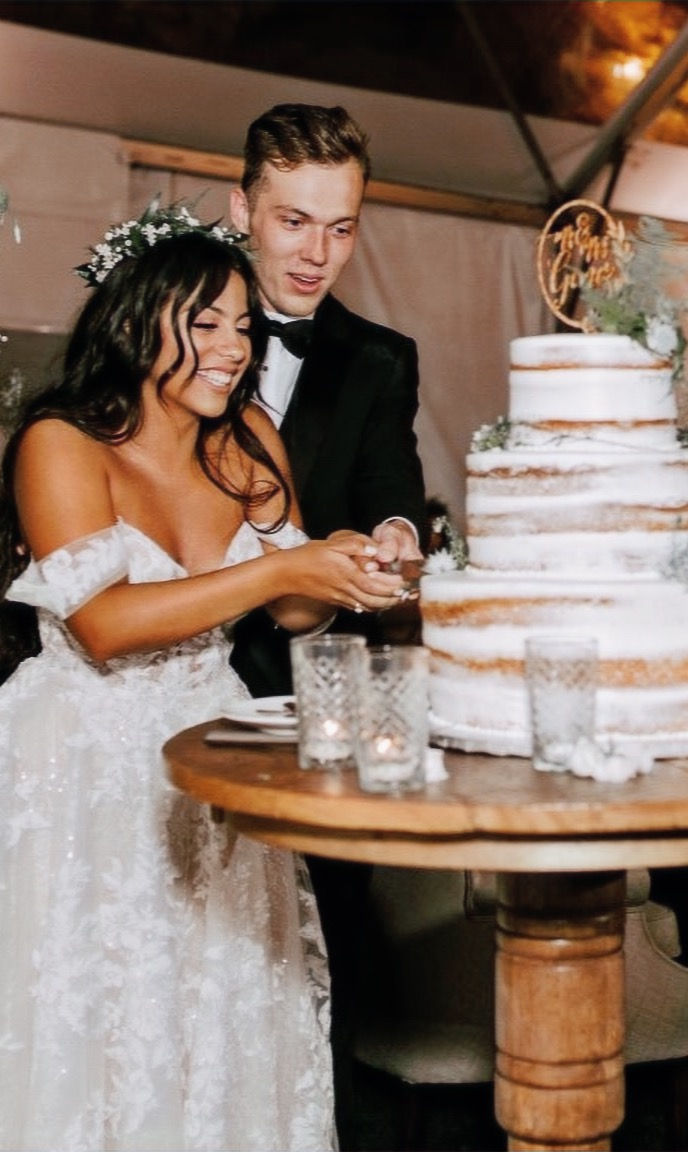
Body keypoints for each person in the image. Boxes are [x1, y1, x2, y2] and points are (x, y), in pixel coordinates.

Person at [0, 223, 409, 1150]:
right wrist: (277, 572)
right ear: (141, 322)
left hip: (214, 756)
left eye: (242, 329)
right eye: (207, 324)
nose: (233, 349)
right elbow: (101, 624)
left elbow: (298, 612)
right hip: (81, 769)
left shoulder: (247, 437)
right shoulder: (62, 443)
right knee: (94, 1009)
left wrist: (348, 569)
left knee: (215, 1003)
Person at [227, 102, 427, 1148]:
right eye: (294, 221)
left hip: (304, 693)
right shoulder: (165, 318)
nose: (317, 253)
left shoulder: (379, 357)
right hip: (157, 675)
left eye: (341, 227)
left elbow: (396, 492)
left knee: (315, 966)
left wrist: (395, 536)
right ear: (242, 207)